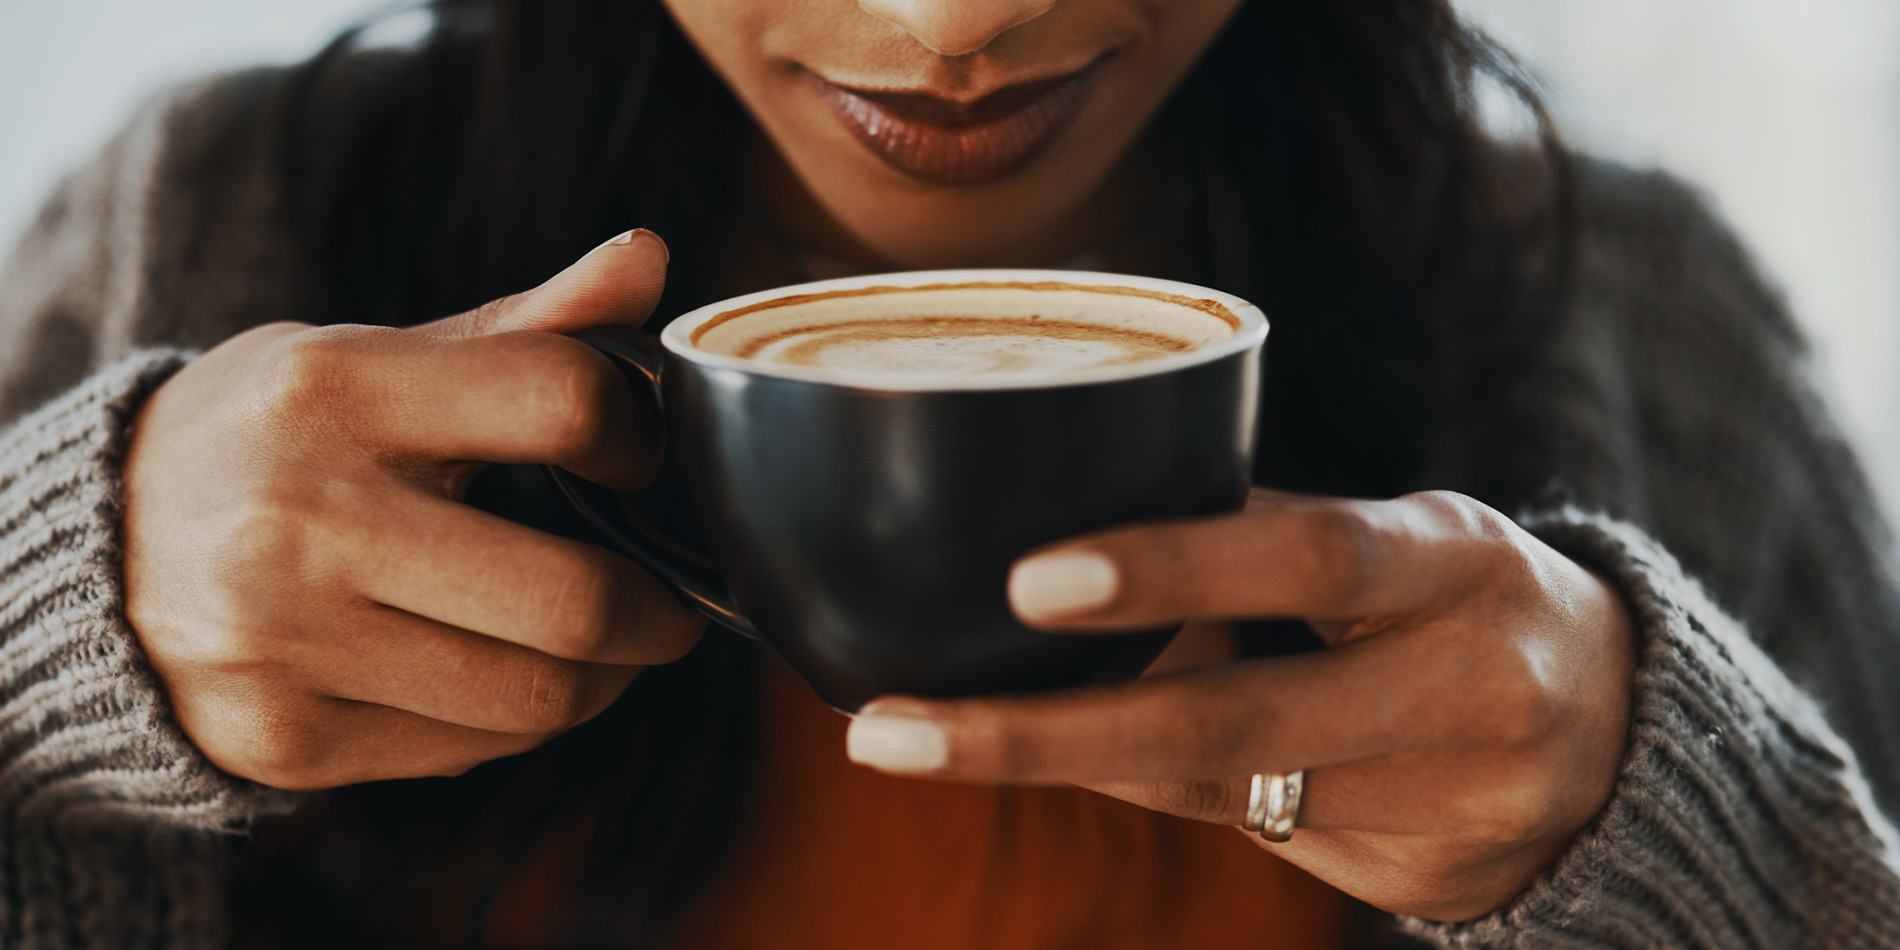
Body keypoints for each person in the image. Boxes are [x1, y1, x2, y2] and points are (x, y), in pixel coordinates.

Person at [1, 0, 1897, 946]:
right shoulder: (210, 234)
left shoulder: (1650, 338)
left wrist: (1671, 830)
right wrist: (53, 631)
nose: (954, 27)